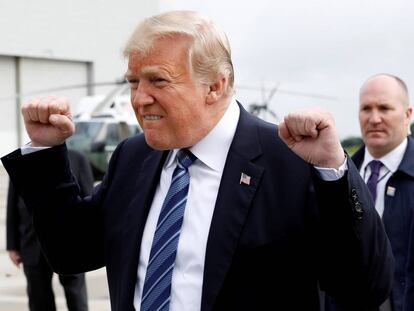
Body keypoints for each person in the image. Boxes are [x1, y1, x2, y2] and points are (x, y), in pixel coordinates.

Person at [1, 11, 393, 311]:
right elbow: (72, 252)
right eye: (133, 82)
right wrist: (46, 153)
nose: (139, 99)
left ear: (215, 86)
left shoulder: (290, 160)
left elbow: (364, 287)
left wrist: (334, 173)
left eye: (158, 80)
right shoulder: (133, 157)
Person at [352, 74, 413, 311]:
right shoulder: (337, 177)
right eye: (366, 108)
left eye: (385, 108)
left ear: (408, 114)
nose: (374, 118)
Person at [6, 148, 93, 311]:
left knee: (76, 297)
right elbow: (13, 205)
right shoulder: (22, 159)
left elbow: (89, 202)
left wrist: (89, 241)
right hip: (32, 244)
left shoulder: (78, 158)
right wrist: (12, 245)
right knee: (38, 298)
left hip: (71, 244)